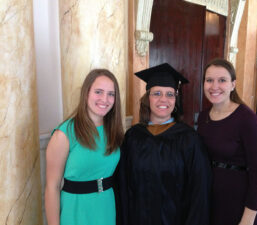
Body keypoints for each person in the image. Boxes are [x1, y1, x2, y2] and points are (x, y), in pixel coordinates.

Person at [119, 63, 211, 225]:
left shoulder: (189, 140)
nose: (164, 99)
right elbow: (123, 187)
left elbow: (199, 193)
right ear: (148, 98)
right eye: (157, 93)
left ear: (176, 100)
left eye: (170, 94)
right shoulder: (133, 137)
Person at [45, 69, 124, 225]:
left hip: (106, 208)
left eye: (111, 94)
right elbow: (52, 187)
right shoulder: (64, 134)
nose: (105, 99)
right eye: (98, 92)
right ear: (86, 93)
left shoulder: (114, 130)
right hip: (76, 211)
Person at [197, 58, 257, 225]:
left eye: (222, 80)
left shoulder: (247, 120)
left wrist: (248, 219)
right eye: (209, 80)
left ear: (233, 84)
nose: (214, 86)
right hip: (211, 201)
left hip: (240, 204)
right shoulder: (203, 117)